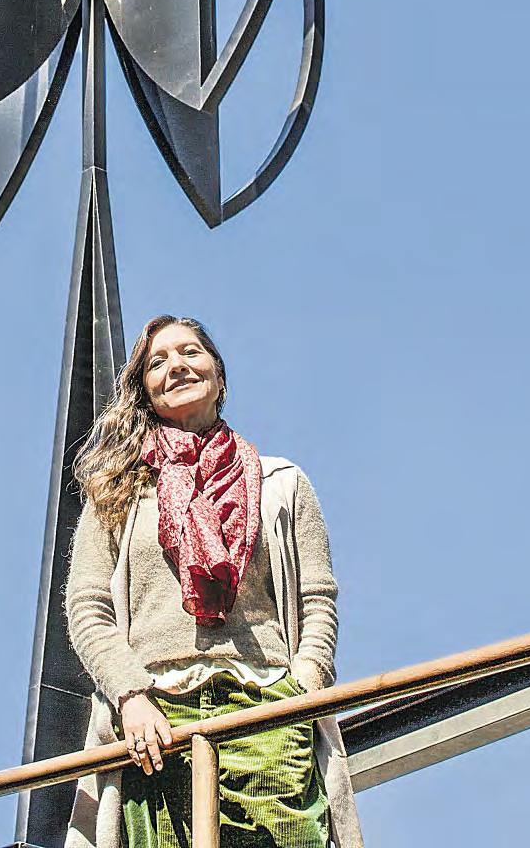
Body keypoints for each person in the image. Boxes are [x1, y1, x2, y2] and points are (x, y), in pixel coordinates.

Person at [64, 315, 364, 848]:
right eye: (158, 362)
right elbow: (88, 607)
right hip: (156, 715)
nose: (176, 366)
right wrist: (130, 695)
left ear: (218, 376)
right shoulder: (115, 492)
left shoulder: (281, 483)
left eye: (190, 352)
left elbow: (317, 598)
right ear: (145, 391)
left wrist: (306, 687)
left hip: (266, 701)